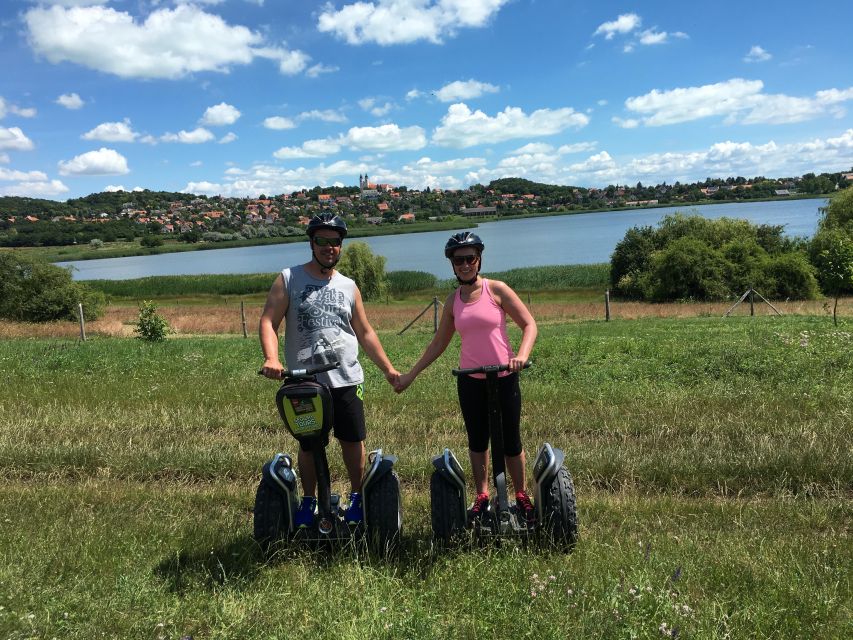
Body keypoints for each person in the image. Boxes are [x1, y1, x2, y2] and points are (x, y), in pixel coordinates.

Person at [259, 212, 400, 527]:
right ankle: (309, 502)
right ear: (311, 243)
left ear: (340, 246)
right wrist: (272, 358)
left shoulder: (348, 286)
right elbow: (269, 320)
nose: (329, 247)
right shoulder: (289, 278)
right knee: (309, 444)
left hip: (346, 379)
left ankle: (358, 498)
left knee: (352, 441)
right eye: (322, 240)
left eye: (335, 242)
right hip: (304, 382)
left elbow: (364, 332)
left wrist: (388, 369)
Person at [395, 231, 538, 525]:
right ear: (452, 264)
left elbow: (529, 324)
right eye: (459, 260)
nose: (465, 264)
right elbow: (438, 344)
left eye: (470, 258)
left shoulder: (496, 290)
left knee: (511, 439)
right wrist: (410, 375)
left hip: (504, 376)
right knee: (477, 441)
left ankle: (521, 495)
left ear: (479, 260)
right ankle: (483, 495)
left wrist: (521, 356)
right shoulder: (454, 301)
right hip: (470, 379)